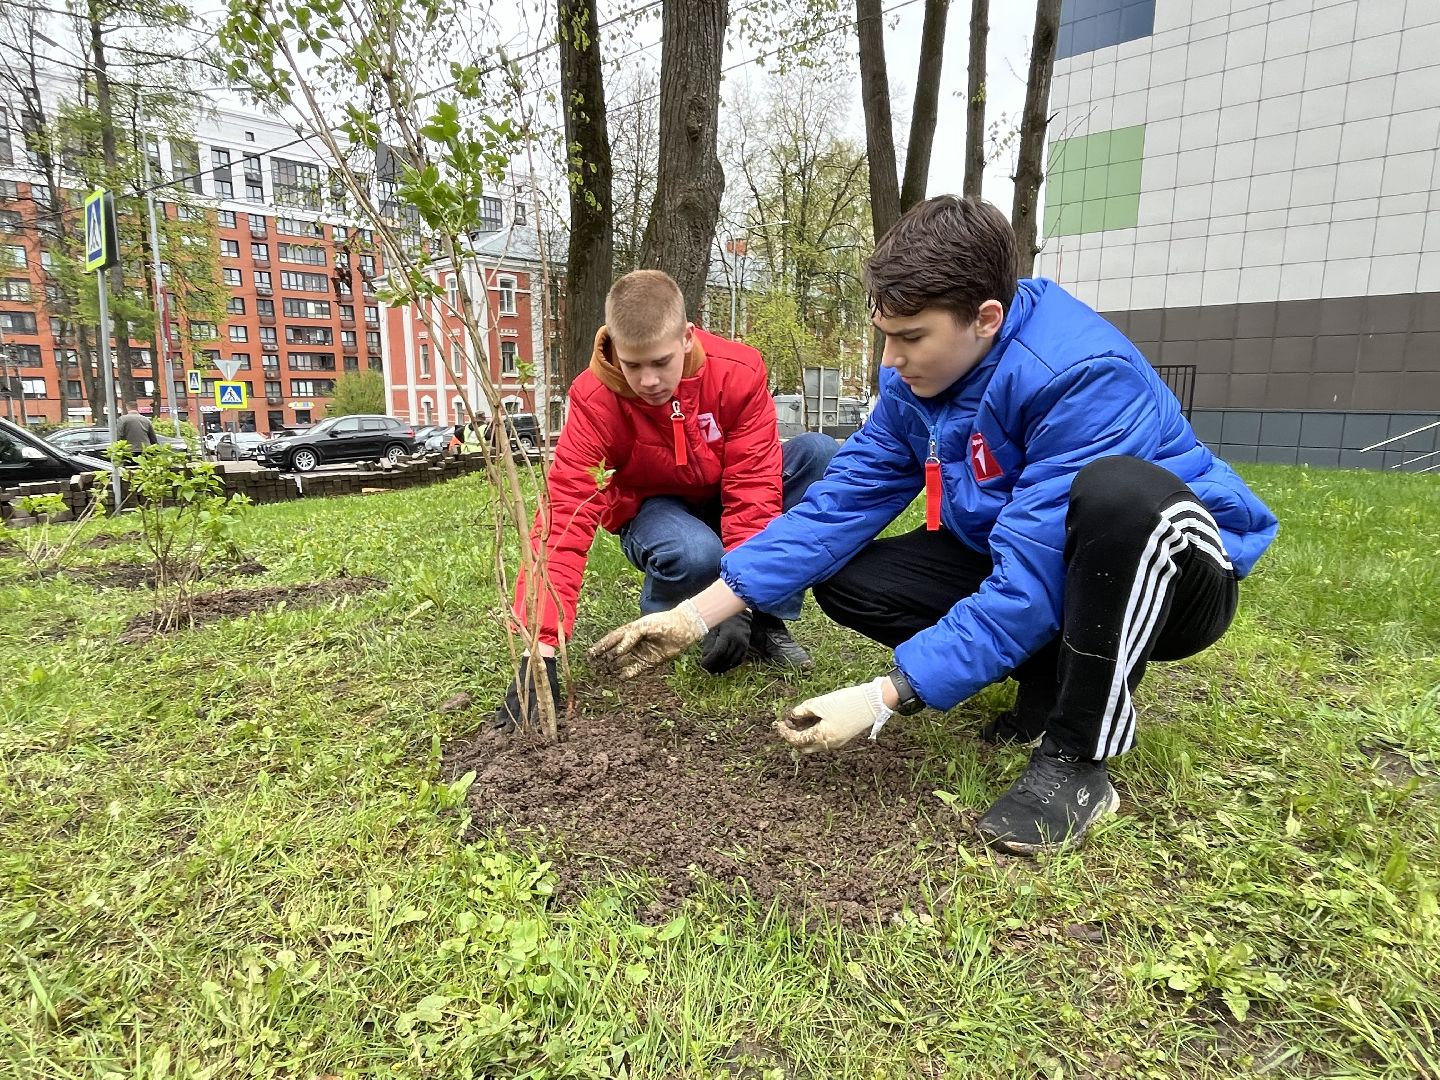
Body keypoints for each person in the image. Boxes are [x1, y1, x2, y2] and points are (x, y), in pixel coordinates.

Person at [590, 196, 1278, 856]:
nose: (891, 359)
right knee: (852, 579)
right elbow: (838, 507)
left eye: (910, 338)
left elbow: (1036, 577)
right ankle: (1049, 680)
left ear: (984, 317)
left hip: (1168, 575)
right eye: (886, 335)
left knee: (1116, 493)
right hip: (1041, 557)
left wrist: (882, 697)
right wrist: (695, 615)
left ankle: (1077, 759)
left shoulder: (1081, 377)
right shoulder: (917, 381)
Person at [494, 269, 838, 729]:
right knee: (695, 552)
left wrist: (745, 599)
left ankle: (764, 623)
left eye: (660, 362)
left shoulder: (738, 371)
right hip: (656, 508)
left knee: (819, 455)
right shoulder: (594, 400)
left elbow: (753, 490)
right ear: (613, 346)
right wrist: (542, 648)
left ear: (687, 337)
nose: (648, 381)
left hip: (724, 490)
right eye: (632, 366)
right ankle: (662, 621)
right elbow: (565, 518)